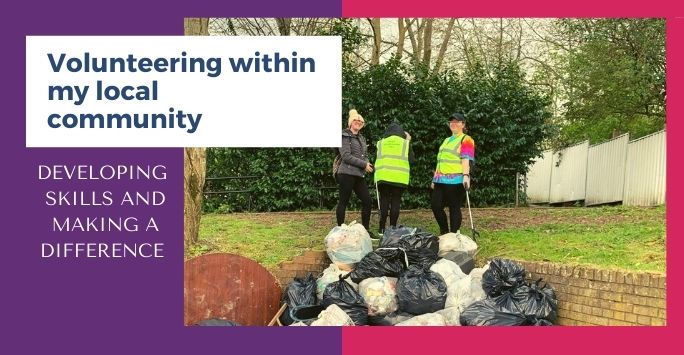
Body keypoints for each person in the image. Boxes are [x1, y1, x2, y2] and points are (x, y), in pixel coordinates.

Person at [431, 113, 475, 235]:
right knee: (436, 205)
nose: (453, 124)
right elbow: (440, 160)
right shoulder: (446, 140)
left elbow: (466, 158)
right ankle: (444, 232)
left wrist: (466, 176)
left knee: (454, 208)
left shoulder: (466, 139)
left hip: (456, 180)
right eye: (451, 122)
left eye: (457, 122)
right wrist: (434, 179)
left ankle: (454, 234)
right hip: (440, 180)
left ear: (463, 124)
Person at [335, 109, 374, 235]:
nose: (358, 122)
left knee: (367, 201)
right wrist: (364, 164)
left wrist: (367, 164)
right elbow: (346, 156)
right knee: (343, 201)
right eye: (356, 120)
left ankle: (366, 230)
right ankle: (341, 230)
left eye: (361, 121)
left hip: (358, 174)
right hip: (346, 173)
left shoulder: (361, 138)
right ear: (351, 123)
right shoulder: (344, 136)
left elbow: (364, 156)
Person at [374, 122, 415, 236]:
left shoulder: (381, 143)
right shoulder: (405, 143)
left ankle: (381, 229)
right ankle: (392, 228)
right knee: (396, 201)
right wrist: (408, 140)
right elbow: (412, 160)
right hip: (399, 177)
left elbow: (377, 158)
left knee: (384, 201)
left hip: (383, 177)